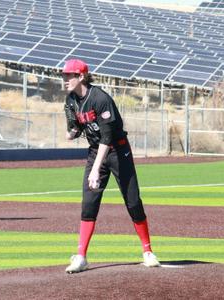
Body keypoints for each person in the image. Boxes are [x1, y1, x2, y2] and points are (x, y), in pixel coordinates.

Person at [62, 59, 160, 273]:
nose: (65, 79)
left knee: (133, 201)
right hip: (96, 151)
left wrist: (96, 169)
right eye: (64, 75)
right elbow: (77, 129)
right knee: (89, 203)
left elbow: (107, 137)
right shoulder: (71, 100)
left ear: (81, 76)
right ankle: (81, 257)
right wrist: (72, 132)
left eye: (69, 75)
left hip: (118, 151)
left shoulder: (100, 98)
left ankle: (147, 251)